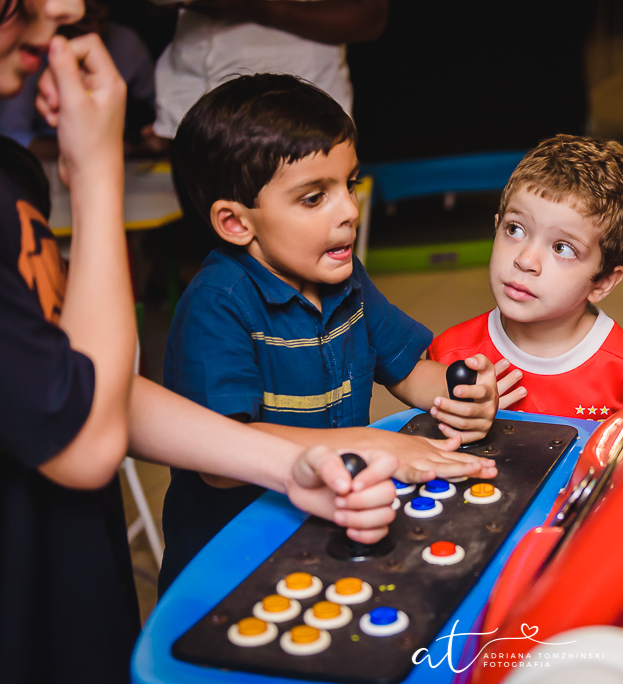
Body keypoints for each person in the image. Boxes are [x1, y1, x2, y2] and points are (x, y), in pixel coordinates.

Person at [0, 3, 401, 681]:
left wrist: (292, 469)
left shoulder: (9, 177)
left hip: (68, 593)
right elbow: (84, 440)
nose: (65, 8)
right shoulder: (218, 298)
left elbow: (86, 386)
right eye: (17, 3)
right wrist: (95, 174)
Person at [160, 72, 500, 594]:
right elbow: (221, 462)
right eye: (314, 198)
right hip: (235, 556)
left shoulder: (346, 280)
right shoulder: (217, 304)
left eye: (351, 184)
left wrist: (463, 395)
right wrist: (364, 442)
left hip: (332, 524)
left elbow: (410, 372)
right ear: (235, 223)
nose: (349, 211)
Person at [429, 135, 623, 420]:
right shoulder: (448, 355)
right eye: (515, 230)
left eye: (562, 248)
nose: (525, 260)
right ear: (496, 227)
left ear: (604, 281)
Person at [152, 0, 388, 141]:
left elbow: (370, 18)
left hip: (294, 119)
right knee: (201, 223)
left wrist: (256, 7)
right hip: (186, 102)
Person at [0, 0, 157, 158]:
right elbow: (13, 137)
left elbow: (156, 100)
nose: (74, 10)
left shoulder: (126, 44)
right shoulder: (26, 58)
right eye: (85, 20)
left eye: (102, 21)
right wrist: (95, 150)